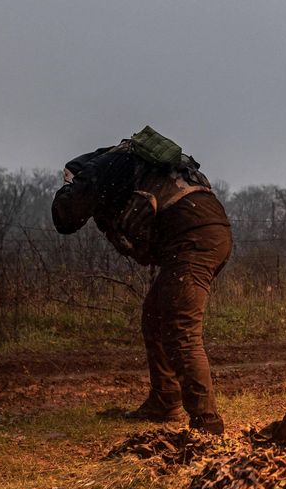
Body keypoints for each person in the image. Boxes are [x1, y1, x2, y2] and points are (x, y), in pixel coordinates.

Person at [51, 126, 231, 434]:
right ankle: (165, 400)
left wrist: (71, 187)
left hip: (191, 237)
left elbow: (66, 217)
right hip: (209, 230)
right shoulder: (133, 160)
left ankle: (208, 425)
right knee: (155, 316)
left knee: (180, 329)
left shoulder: (97, 169)